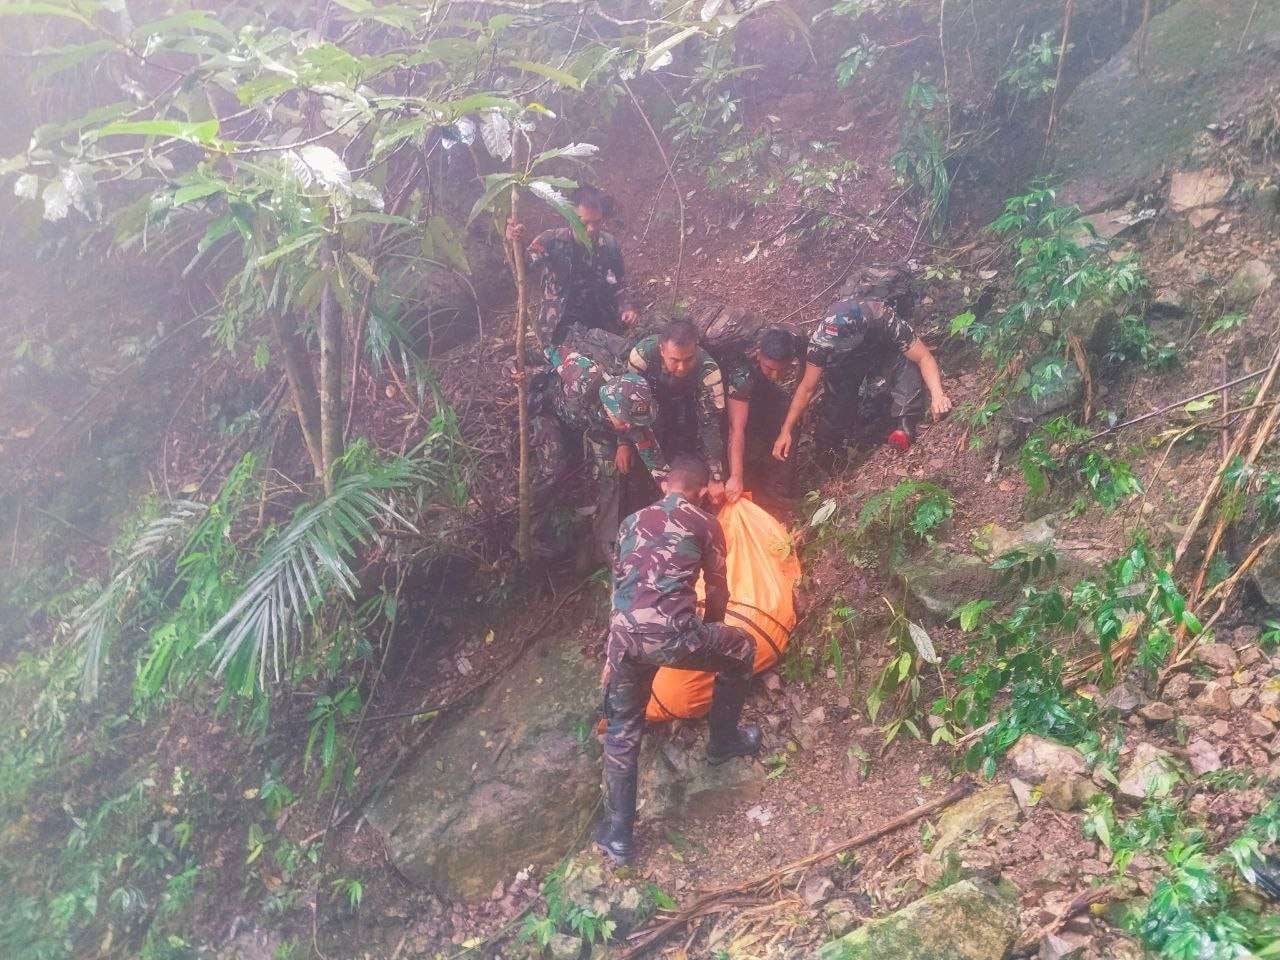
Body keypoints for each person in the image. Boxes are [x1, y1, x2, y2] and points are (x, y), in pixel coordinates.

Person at [597, 455, 762, 866]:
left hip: (624, 638)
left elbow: (620, 589)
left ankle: (618, 836)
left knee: (621, 729)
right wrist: (711, 636)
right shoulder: (706, 524)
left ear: (665, 484)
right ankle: (723, 742)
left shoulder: (630, 522)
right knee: (743, 649)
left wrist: (611, 654)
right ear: (702, 491)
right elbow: (718, 591)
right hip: (674, 636)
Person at [771, 298, 952, 467]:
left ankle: (905, 424)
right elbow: (807, 388)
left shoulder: (883, 317)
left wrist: (938, 395)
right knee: (837, 406)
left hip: (881, 351)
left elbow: (923, 357)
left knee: (906, 362)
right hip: (846, 363)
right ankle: (829, 451)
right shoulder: (822, 340)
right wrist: (786, 430)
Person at [530, 351, 670, 562]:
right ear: (610, 408)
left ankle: (606, 539)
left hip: (592, 427)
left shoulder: (630, 416)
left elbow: (654, 460)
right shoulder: (583, 373)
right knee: (554, 466)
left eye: (634, 422)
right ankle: (530, 528)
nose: (630, 427)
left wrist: (671, 492)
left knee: (611, 470)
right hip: (549, 414)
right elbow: (549, 351)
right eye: (626, 421)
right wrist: (518, 371)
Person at [506, 185, 638, 362]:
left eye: (597, 222)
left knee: (621, 357)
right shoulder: (551, 241)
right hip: (560, 330)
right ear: (571, 218)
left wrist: (627, 308)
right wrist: (515, 242)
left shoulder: (609, 244)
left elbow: (619, 284)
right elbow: (523, 267)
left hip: (600, 324)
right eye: (584, 223)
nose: (591, 229)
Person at [627, 320, 728, 503]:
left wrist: (716, 477)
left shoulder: (709, 372)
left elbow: (710, 426)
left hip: (691, 405)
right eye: (674, 360)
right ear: (662, 350)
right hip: (653, 403)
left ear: (696, 348)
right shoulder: (641, 357)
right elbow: (628, 408)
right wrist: (623, 443)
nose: (681, 367)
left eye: (688, 359)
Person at [724, 327, 805, 511]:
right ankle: (750, 480)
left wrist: (788, 425)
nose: (775, 376)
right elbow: (736, 429)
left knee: (790, 418)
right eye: (770, 368)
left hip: (764, 388)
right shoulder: (740, 372)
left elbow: (808, 372)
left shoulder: (797, 343)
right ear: (759, 355)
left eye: (782, 370)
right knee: (748, 434)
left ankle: (778, 490)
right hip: (731, 393)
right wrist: (736, 477)